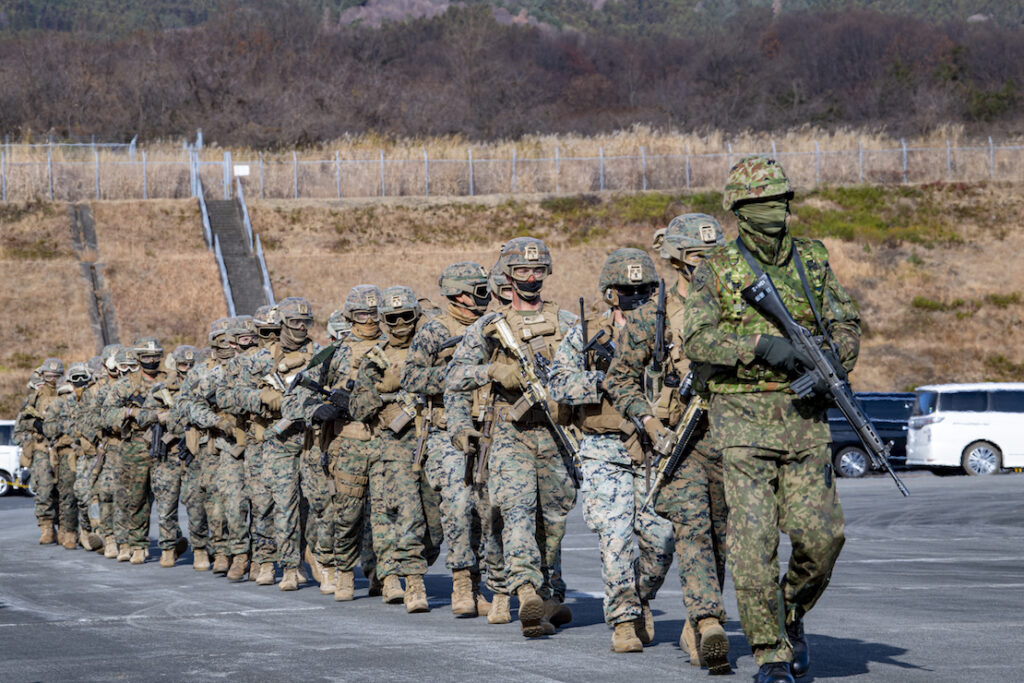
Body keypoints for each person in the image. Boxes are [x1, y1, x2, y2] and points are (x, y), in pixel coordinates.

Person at [683, 156, 860, 683]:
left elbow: (845, 320)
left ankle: (788, 611)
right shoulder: (717, 268)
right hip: (742, 421)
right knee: (754, 543)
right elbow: (696, 340)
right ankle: (771, 653)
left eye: (783, 199)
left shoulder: (812, 258)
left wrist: (834, 361)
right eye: (766, 202)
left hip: (805, 420)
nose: (779, 209)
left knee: (823, 538)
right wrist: (761, 346)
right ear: (741, 209)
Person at [603, 216, 732, 673]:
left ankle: (698, 617)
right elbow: (618, 380)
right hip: (680, 441)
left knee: (722, 538)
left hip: (733, 439)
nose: (710, 266)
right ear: (677, 259)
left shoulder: (741, 309)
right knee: (693, 528)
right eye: (700, 257)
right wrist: (648, 421)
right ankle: (707, 620)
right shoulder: (651, 317)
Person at [446, 237, 578, 638]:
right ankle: (524, 592)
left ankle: (546, 595)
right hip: (509, 431)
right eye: (522, 271)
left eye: (538, 270)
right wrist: (491, 373)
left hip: (556, 434)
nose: (531, 277)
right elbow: (453, 377)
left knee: (553, 522)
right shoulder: (488, 328)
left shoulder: (569, 323)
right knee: (516, 511)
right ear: (508, 275)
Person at [548, 248, 675, 653]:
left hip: (655, 446)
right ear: (610, 294)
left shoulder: (668, 331)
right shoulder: (586, 334)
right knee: (615, 537)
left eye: (645, 289)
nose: (637, 296)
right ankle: (622, 618)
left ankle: (640, 599)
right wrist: (600, 378)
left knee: (661, 539)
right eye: (628, 289)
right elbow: (557, 385)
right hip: (603, 447)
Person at [401, 262, 495, 618]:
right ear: (459, 295)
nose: (486, 297)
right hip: (446, 432)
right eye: (480, 291)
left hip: (489, 428)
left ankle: (482, 582)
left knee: (486, 511)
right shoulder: (434, 331)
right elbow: (411, 377)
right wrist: (459, 374)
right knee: (457, 505)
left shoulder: (493, 327)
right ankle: (460, 581)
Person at [348, 285, 442, 614]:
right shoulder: (375, 358)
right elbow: (358, 407)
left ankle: (416, 563)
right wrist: (379, 388)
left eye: (406, 316)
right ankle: (413, 583)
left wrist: (411, 381)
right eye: (393, 318)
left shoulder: (432, 348)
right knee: (408, 515)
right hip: (394, 447)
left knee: (436, 525)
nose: (400, 323)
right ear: (384, 322)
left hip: (434, 439)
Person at [101, 340, 168, 564]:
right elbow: (107, 414)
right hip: (136, 445)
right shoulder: (125, 385)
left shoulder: (169, 380)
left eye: (155, 356)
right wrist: (130, 412)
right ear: (138, 358)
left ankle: (170, 544)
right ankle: (137, 543)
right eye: (146, 356)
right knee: (135, 498)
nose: (151, 361)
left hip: (167, 445)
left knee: (169, 500)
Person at [137, 345, 198, 567]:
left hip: (193, 453)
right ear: (176, 364)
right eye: (183, 364)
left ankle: (201, 549)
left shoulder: (202, 385)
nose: (188, 368)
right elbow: (142, 417)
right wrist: (159, 415)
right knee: (165, 506)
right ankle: (168, 548)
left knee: (197, 506)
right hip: (169, 454)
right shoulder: (162, 388)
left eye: (192, 365)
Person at [15, 357, 64, 545]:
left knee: (65, 492)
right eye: (49, 375)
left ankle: (65, 528)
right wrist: (34, 427)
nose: (52, 379)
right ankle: (46, 527)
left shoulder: (67, 394)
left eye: (56, 376)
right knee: (44, 489)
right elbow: (20, 428)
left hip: (64, 448)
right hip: (42, 449)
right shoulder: (34, 398)